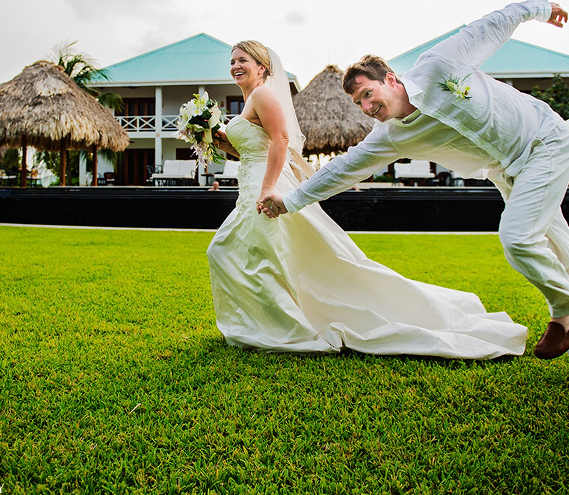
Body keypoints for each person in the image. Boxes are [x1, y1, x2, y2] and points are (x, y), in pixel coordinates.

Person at [259, 0, 569, 382]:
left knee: (517, 237)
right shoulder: (389, 136)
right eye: (357, 102)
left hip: (544, 141)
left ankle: (566, 311)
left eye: (368, 93)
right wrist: (290, 201)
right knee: (561, 253)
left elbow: (491, 24)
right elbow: (341, 169)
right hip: (508, 173)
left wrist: (542, 8)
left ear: (392, 80)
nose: (366, 106)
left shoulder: (440, 65)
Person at [206, 40, 528, 358]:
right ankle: (265, 323)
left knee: (235, 251)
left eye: (243, 60)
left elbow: (281, 140)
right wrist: (217, 142)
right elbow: (251, 150)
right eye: (232, 61)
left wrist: (268, 187)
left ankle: (283, 327)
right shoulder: (249, 100)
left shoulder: (263, 94)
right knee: (251, 253)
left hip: (266, 184)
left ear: (262, 67)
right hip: (251, 182)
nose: (236, 66)